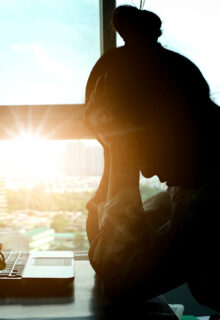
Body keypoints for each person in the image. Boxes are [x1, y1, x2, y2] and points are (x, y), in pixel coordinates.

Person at [83, 5, 220, 311]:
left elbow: (119, 281)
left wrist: (119, 152)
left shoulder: (211, 203)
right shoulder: (188, 193)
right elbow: (107, 256)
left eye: (139, 149)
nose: (145, 172)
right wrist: (114, 149)